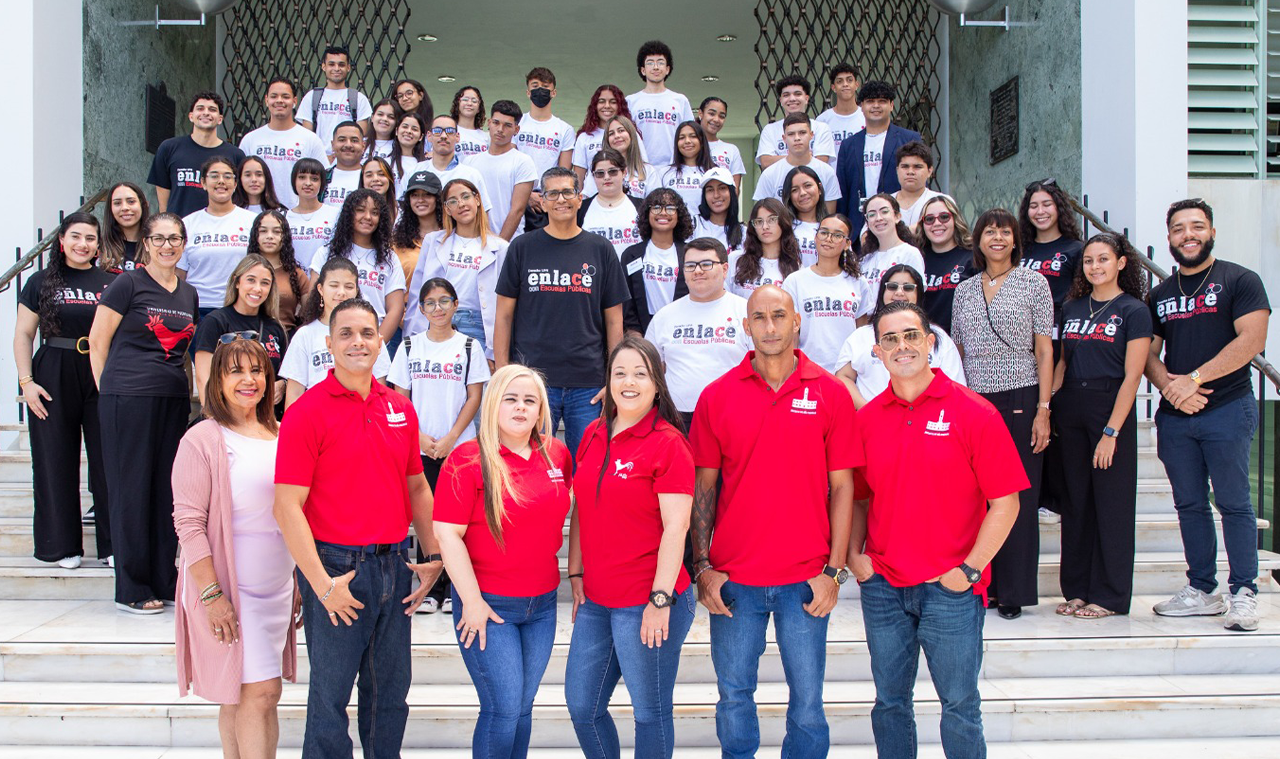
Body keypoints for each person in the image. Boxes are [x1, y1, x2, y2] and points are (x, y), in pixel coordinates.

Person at [847, 300, 1026, 759]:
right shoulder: (865, 421)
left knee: (961, 706)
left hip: (950, 588)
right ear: (877, 351)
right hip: (884, 585)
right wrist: (854, 556)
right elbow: (859, 498)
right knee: (889, 704)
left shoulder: (974, 412)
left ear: (931, 343)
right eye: (890, 339)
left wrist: (968, 570)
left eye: (910, 336)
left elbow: (1005, 503)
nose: (901, 346)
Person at [690, 284, 859, 759]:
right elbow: (704, 487)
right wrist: (702, 568)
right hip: (734, 581)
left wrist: (834, 571)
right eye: (759, 318)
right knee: (733, 698)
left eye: (778, 316)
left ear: (796, 321)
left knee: (807, 705)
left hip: (805, 581)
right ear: (746, 327)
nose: (769, 326)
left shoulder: (830, 392)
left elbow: (844, 487)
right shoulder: (716, 396)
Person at [274, 297, 444, 758]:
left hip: (393, 566)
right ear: (328, 344)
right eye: (346, 333)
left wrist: (433, 558)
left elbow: (418, 489)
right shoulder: (306, 411)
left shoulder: (400, 409)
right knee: (329, 701)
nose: (358, 342)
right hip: (336, 568)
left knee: (389, 698)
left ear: (380, 341)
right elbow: (287, 507)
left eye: (367, 333)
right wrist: (322, 585)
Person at [566, 335, 696, 758]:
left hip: (647, 599)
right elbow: (583, 507)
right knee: (583, 707)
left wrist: (659, 600)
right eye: (619, 372)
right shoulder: (592, 433)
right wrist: (576, 571)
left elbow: (676, 529)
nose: (629, 382)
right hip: (598, 599)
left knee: (649, 713)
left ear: (657, 382)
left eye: (640, 373)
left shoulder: (668, 443)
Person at [432, 364, 571, 757]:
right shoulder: (466, 459)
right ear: (493, 403)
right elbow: (448, 535)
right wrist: (472, 602)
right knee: (504, 709)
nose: (521, 407)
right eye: (511, 398)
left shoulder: (557, 454)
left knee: (522, 710)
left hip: (542, 606)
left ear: (542, 409)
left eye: (530, 400)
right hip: (489, 606)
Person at [1145, 198, 1270, 632]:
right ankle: (1201, 589)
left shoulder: (1240, 280)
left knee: (1234, 503)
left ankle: (1243, 592)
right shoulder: (1160, 294)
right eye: (1179, 229)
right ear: (1169, 239)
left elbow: (1251, 340)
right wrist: (1171, 389)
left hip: (1228, 408)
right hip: (1177, 417)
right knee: (1189, 504)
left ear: (1212, 231)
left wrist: (1193, 380)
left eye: (1196, 227)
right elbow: (1148, 354)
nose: (1188, 235)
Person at [172, 338, 297, 759]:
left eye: (257, 371)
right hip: (228, 589)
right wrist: (211, 595)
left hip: (276, 589)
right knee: (260, 692)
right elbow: (188, 524)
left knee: (245, 696)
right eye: (236, 371)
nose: (249, 380)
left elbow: (290, 514)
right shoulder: (204, 438)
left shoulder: (282, 434)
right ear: (218, 381)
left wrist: (298, 578)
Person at [88, 212, 200, 614]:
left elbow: (185, 353)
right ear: (146, 243)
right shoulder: (127, 283)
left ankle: (162, 578)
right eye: (160, 238)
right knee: (130, 490)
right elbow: (98, 343)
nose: (168, 245)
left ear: (184, 243)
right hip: (127, 398)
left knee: (164, 491)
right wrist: (110, 393)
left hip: (171, 400)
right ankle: (132, 586)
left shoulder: (188, 293)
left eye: (176, 239)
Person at [950, 208, 1054, 620]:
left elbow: (1044, 350)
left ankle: (1013, 591)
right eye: (989, 232)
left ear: (1015, 240)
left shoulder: (1034, 283)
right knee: (977, 497)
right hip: (975, 401)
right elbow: (956, 352)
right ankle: (982, 581)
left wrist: (1043, 409)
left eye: (1004, 232)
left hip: (1021, 396)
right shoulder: (965, 290)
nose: (996, 238)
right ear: (978, 240)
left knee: (1018, 497)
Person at [493, 167, 629, 460]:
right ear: (542, 202)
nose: (561, 199)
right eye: (552, 193)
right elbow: (503, 315)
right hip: (533, 381)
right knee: (530, 466)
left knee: (590, 468)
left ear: (580, 198)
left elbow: (614, 320)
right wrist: (504, 374)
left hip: (589, 383)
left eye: (568, 192)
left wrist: (613, 377)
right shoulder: (522, 247)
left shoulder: (601, 249)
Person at [1052, 233, 1152, 620]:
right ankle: (1076, 589)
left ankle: (1109, 594)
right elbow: (1061, 363)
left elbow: (1133, 377)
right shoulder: (1073, 307)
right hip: (1071, 407)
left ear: (1121, 263)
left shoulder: (1133, 311)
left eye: (1103, 259)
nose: (1095, 267)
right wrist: (1049, 408)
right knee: (1076, 503)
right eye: (1089, 261)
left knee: (1111, 504)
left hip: (1109, 407)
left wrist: (1111, 432)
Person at [15, 212, 114, 570]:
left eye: (89, 238)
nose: (82, 244)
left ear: (98, 245)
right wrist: (27, 383)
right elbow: (24, 334)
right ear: (62, 241)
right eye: (75, 237)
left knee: (109, 461)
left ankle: (113, 545)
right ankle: (61, 546)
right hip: (53, 370)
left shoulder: (112, 282)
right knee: (55, 459)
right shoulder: (40, 281)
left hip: (100, 370)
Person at [389, 277, 490, 614]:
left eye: (444, 301)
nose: (437, 308)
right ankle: (431, 588)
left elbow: (474, 396)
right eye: (430, 303)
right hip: (420, 447)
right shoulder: (408, 347)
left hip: (458, 448)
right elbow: (400, 399)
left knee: (457, 519)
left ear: (456, 305)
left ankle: (456, 589)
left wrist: (450, 438)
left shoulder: (469, 347)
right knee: (428, 519)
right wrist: (418, 438)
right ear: (421, 308)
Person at [644, 237, 751, 429]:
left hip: (734, 417)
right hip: (677, 421)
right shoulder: (664, 316)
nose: (698, 271)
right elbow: (648, 371)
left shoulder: (746, 312)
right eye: (691, 265)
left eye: (707, 264)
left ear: (725, 269)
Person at [836, 263, 966, 408]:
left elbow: (955, 385)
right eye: (892, 286)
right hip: (873, 425)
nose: (899, 292)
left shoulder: (938, 336)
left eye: (908, 288)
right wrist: (868, 411)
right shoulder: (861, 335)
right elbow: (843, 376)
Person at [406, 178, 509, 358]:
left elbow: (503, 305)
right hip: (436, 321)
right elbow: (417, 293)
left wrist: (494, 353)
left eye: (465, 197)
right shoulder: (433, 241)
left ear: (477, 200)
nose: (461, 204)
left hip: (477, 325)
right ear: (447, 209)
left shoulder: (500, 247)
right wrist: (411, 336)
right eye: (453, 201)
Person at [280, 257, 391, 408]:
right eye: (333, 285)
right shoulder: (305, 335)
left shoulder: (370, 335)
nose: (341, 293)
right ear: (320, 289)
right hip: (317, 422)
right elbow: (294, 394)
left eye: (349, 286)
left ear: (357, 290)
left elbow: (379, 389)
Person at [309, 189, 406, 345]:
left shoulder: (389, 259)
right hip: (329, 339)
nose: (367, 217)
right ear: (349, 214)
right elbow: (313, 296)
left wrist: (375, 344)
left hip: (373, 339)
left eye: (374, 213)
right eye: (360, 210)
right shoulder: (328, 252)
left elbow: (395, 309)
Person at [191, 253, 289, 406]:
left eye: (265, 283)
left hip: (265, 419)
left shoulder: (275, 328)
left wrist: (282, 385)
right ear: (237, 282)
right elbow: (204, 378)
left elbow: (284, 374)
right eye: (251, 280)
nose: (257, 289)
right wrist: (213, 417)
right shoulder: (215, 322)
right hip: (227, 416)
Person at [781, 212, 871, 374]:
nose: (829, 239)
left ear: (847, 244)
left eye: (837, 235)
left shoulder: (858, 282)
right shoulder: (795, 281)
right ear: (815, 237)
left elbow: (861, 332)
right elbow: (791, 333)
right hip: (808, 370)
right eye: (824, 233)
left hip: (848, 372)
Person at [834, 80, 922, 238]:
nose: (876, 106)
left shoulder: (909, 138)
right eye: (870, 102)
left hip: (898, 226)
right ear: (861, 106)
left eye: (882, 101)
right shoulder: (848, 145)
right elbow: (843, 190)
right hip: (858, 227)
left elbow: (919, 181)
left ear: (892, 105)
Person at [178, 157, 256, 316]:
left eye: (227, 177)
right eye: (214, 176)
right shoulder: (187, 224)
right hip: (198, 309)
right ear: (203, 183)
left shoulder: (252, 221)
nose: (221, 181)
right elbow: (179, 274)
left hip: (241, 307)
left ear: (235, 184)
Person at [147, 91, 246, 218]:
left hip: (220, 230)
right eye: (200, 108)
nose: (206, 113)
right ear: (191, 116)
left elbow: (241, 197)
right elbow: (163, 201)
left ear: (220, 119)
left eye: (212, 109)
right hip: (180, 230)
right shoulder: (169, 148)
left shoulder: (235, 155)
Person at [237, 76, 328, 209]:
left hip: (295, 215)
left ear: (294, 101)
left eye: (285, 96)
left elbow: (323, 179)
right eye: (274, 96)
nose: (279, 101)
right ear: (266, 100)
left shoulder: (310, 139)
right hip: (255, 214)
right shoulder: (251, 139)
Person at [620, 187, 691, 335]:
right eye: (657, 207)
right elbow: (627, 301)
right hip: (642, 334)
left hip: (682, 332)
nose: (663, 213)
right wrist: (636, 336)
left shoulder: (690, 254)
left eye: (671, 208)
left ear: (679, 215)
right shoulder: (631, 255)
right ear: (647, 213)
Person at [465, 100, 538, 241]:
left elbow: (517, 210)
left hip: (509, 243)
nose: (500, 129)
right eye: (496, 123)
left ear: (516, 130)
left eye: (507, 125)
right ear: (489, 123)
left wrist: (499, 246)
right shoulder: (470, 162)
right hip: (474, 242)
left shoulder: (523, 161)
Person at [1019, 178, 1086, 331]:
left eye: (1047, 204)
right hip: (1020, 331)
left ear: (1058, 207)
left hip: (1058, 330)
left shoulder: (1077, 250)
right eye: (1033, 206)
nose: (1040, 211)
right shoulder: (1018, 251)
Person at [516, 67, 576, 230]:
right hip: (518, 198)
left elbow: (563, 172)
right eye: (535, 86)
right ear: (528, 92)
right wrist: (527, 195)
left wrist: (548, 197)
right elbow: (510, 163)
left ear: (553, 92)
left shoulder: (565, 129)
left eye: (545, 86)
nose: (540, 90)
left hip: (550, 200)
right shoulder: (517, 124)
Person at [753, 113, 841, 212]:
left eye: (802, 132)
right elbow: (762, 214)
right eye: (791, 134)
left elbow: (829, 216)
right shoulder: (769, 174)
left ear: (811, 135)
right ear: (784, 138)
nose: (797, 138)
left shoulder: (827, 172)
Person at [626, 40, 694, 167]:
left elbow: (690, 135)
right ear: (643, 70)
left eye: (660, 62)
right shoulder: (631, 101)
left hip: (673, 169)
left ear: (667, 69)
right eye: (650, 63)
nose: (656, 67)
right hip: (640, 169)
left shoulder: (680, 100)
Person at [296, 45, 372, 153]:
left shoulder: (359, 98)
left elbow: (360, 136)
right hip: (317, 159)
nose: (336, 68)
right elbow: (307, 136)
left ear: (348, 67)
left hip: (347, 158)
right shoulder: (312, 97)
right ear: (323, 67)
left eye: (341, 65)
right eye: (331, 64)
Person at [917, 195, 975, 333]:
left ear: (955, 220)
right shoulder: (917, 258)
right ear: (922, 225)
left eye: (944, 217)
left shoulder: (972, 256)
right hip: (924, 341)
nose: (937, 223)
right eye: (929, 219)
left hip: (961, 341)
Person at [415, 115, 495, 214]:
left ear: (457, 137)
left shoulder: (471, 175)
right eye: (437, 131)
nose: (443, 136)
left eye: (449, 131)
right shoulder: (416, 171)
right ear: (429, 136)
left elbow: (483, 215)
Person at [248, 209, 311, 333]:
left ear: (285, 237)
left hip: (286, 340)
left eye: (277, 232)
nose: (270, 236)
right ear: (255, 235)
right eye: (263, 231)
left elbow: (308, 316)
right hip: (250, 341)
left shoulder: (297, 274)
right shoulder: (244, 271)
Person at [756, 75, 836, 168]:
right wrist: (805, 157)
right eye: (786, 95)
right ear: (781, 101)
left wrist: (781, 159)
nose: (792, 99)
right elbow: (766, 162)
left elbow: (821, 162)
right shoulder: (770, 130)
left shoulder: (821, 128)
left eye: (797, 94)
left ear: (806, 99)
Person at [728, 198, 801, 299]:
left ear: (783, 223)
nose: (765, 226)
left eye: (772, 220)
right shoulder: (735, 259)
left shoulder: (796, 266)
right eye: (759, 221)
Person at [573, 85, 637, 196]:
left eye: (613, 102)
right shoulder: (585, 137)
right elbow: (579, 177)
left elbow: (639, 165)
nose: (607, 106)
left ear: (620, 106)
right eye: (602, 101)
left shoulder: (629, 134)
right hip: (592, 196)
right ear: (595, 106)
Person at [578, 148, 642, 259]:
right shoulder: (580, 209)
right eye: (600, 174)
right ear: (593, 176)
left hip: (631, 275)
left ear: (624, 172)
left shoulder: (641, 207)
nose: (606, 177)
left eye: (612, 171)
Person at [856, 193, 925, 296]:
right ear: (867, 223)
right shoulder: (865, 260)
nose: (878, 218)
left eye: (884, 212)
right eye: (871, 214)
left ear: (897, 217)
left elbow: (915, 295)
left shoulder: (910, 253)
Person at [391, 169, 444, 289]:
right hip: (405, 306)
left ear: (438, 198)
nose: (420, 200)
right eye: (415, 195)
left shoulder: (451, 235)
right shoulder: (396, 241)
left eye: (427, 194)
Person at [285, 158, 340, 270]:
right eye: (302, 177)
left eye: (314, 179)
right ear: (293, 181)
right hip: (294, 281)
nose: (308, 183)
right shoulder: (284, 217)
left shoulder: (335, 214)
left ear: (322, 183)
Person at [650, 120, 713, 213]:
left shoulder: (713, 172)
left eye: (693, 136)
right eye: (682, 137)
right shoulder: (664, 173)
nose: (687, 141)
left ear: (702, 141)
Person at [891, 141, 949, 228]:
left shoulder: (943, 202)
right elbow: (866, 237)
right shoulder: (883, 204)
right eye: (905, 166)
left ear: (929, 171)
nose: (910, 172)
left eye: (917, 167)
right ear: (897, 170)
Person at [816, 63, 865, 163]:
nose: (845, 84)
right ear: (833, 87)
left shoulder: (866, 117)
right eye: (839, 81)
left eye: (849, 80)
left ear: (856, 85)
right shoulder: (823, 120)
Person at [695, 96, 746, 191]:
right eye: (711, 114)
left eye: (721, 116)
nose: (716, 119)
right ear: (700, 113)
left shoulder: (731, 150)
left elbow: (735, 189)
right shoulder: (688, 146)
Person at [784, 165, 831, 267]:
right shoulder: (783, 228)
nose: (802, 193)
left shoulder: (833, 227)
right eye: (794, 190)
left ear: (819, 188)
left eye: (807, 186)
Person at [99, 181, 150, 274]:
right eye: (117, 203)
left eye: (131, 201)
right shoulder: (97, 247)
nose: (125, 208)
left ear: (144, 205)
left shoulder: (156, 246)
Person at [692, 166, 744, 256]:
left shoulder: (744, 232)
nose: (716, 195)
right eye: (710, 190)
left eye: (722, 188)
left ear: (731, 192)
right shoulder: (693, 226)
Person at [605, 115, 658, 199]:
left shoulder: (648, 171)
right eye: (611, 133)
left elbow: (655, 204)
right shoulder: (599, 169)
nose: (617, 136)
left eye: (621, 130)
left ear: (631, 135)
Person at [323, 121, 367, 209]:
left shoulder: (370, 178)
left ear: (363, 146)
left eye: (354, 140)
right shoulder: (322, 177)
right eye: (342, 140)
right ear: (333, 145)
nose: (348, 145)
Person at [390, 111, 429, 193]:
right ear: (397, 131)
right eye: (405, 127)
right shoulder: (386, 161)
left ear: (421, 137)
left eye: (414, 129)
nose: (409, 131)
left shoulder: (426, 165)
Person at [451, 86, 490, 159]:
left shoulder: (486, 137)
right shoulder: (449, 132)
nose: (469, 103)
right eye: (465, 99)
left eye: (474, 101)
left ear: (479, 108)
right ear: (457, 104)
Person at [359, 156, 399, 225]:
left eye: (381, 174)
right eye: (369, 175)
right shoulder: (354, 213)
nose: (375, 179)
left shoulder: (401, 215)